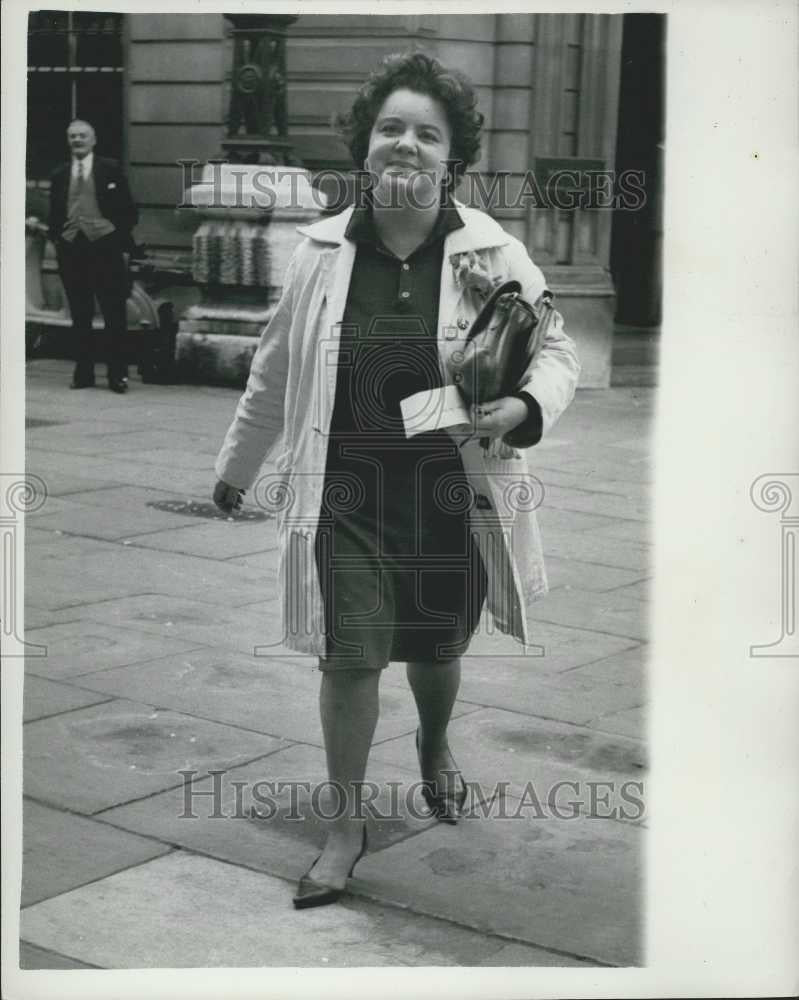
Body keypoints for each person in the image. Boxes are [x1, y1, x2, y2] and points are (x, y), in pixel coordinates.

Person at [213, 52, 580, 909]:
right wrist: (235, 469)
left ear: (452, 155)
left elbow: (556, 349)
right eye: (390, 129)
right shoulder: (319, 252)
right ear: (364, 145)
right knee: (348, 660)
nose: (405, 145)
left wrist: (523, 409)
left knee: (436, 649)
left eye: (426, 132)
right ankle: (346, 826)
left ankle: (434, 745)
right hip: (346, 493)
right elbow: (274, 372)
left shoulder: (493, 249)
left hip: (450, 492)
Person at [48, 119, 138, 392]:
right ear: (68, 141)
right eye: (73, 136)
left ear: (93, 139)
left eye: (83, 135)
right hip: (72, 251)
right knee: (80, 314)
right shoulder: (60, 174)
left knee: (113, 313)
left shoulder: (110, 170)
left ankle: (117, 376)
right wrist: (59, 239)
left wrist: (114, 235)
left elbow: (130, 212)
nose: (77, 140)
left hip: (105, 251)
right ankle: (83, 373)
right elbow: (55, 213)